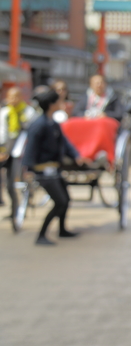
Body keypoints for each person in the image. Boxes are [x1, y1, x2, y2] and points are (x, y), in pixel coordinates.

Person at [22, 87, 85, 245]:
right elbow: (30, 149)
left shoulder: (52, 123)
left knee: (66, 198)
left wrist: (76, 156)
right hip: (43, 171)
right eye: (58, 101)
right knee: (60, 201)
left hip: (54, 169)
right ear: (51, 104)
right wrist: (28, 169)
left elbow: (64, 143)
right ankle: (41, 235)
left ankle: (62, 229)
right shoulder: (39, 125)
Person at [0, 87, 37, 207]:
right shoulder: (5, 113)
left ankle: (27, 200)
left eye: (16, 96)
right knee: (9, 183)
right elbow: (3, 134)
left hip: (23, 150)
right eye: (11, 97)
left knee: (19, 179)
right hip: (7, 149)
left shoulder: (28, 112)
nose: (13, 100)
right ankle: (14, 209)